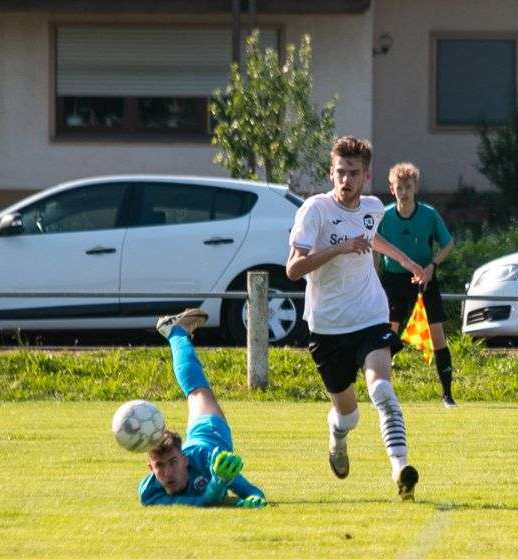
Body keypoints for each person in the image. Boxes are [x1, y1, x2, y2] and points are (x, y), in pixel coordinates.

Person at [286, 136, 427, 501]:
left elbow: (372, 238)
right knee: (348, 416)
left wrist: (409, 263)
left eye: (353, 173)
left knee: (381, 388)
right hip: (328, 326)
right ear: (331, 173)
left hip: (371, 316)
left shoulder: (373, 207)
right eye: (339, 173)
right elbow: (293, 269)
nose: (345, 180)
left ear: (367, 175)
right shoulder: (314, 210)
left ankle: (400, 468)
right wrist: (339, 248)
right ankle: (338, 436)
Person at [139, 308, 267, 508]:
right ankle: (177, 332)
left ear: (185, 460)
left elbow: (253, 492)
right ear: (150, 469)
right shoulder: (149, 492)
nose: (168, 473)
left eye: (173, 462)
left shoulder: (211, 461)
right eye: (160, 466)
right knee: (195, 391)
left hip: (210, 429)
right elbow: (198, 502)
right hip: (196, 439)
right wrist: (218, 485)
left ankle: (176, 332)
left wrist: (251, 499)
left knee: (197, 390)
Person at [378, 162, 458, 408]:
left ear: (415, 188)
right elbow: (373, 244)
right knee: (387, 336)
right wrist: (373, 276)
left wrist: (432, 265)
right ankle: (382, 393)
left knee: (437, 337)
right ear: (392, 189)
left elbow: (448, 244)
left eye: (408, 187)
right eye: (399, 187)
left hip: (424, 280)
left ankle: (447, 395)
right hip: (393, 281)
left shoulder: (428, 214)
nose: (404, 192)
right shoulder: (384, 215)